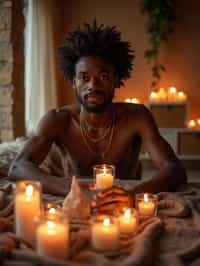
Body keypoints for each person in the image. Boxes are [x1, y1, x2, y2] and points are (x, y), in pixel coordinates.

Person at [9, 21, 187, 211]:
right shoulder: (59, 120)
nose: (92, 86)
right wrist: (74, 190)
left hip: (123, 206)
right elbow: (18, 167)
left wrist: (133, 194)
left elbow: (174, 170)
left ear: (116, 80)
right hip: (76, 201)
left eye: (102, 77)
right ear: (73, 81)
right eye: (84, 78)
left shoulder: (137, 117)